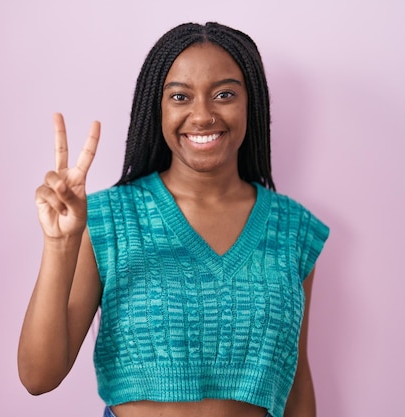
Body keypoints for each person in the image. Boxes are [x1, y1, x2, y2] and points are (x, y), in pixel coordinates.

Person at [18, 22, 329, 417]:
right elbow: (38, 377)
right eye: (180, 96)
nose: (202, 115)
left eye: (224, 94)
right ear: (157, 107)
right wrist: (60, 244)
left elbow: (297, 381)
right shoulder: (106, 220)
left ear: (252, 103)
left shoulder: (293, 229)